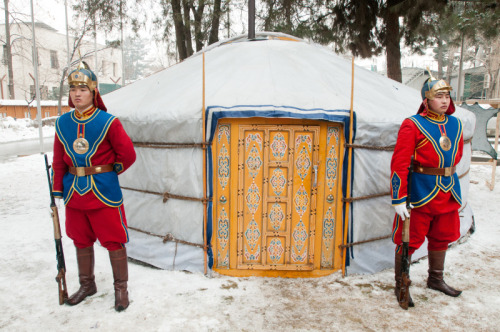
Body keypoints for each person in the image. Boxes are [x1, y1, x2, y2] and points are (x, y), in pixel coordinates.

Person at [51, 61, 136, 311]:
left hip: (103, 192)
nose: (77, 94)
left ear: (94, 92)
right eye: (73, 89)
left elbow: (127, 155)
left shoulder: (109, 121)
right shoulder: (62, 123)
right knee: (80, 240)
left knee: (113, 240)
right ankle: (87, 285)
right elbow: (58, 160)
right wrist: (58, 189)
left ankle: (121, 290)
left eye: (83, 89)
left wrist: (110, 171)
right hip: (74, 192)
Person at [390, 72, 463, 307]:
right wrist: (398, 198)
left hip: (448, 190)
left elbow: (457, 156)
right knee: (409, 240)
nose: (445, 101)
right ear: (426, 100)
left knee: (442, 236)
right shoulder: (412, 124)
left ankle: (435, 279)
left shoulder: (456, 124)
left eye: (447, 96)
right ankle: (401, 284)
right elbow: (399, 163)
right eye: (438, 96)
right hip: (421, 192)